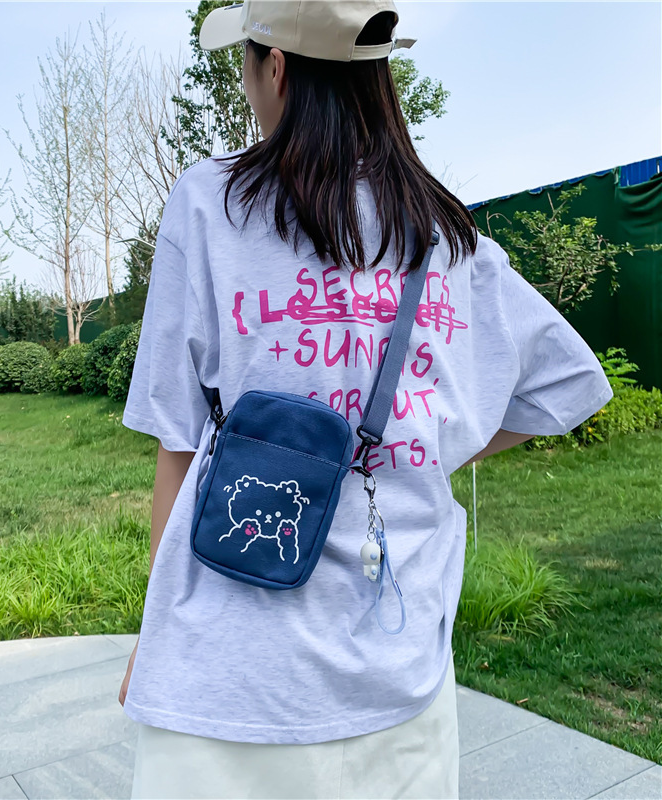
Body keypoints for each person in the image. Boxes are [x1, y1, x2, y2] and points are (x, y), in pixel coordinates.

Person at [118, 1, 614, 798]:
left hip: (227, 684)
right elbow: (569, 380)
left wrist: (156, 635)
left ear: (276, 66)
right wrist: (425, 444)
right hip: (401, 679)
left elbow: (176, 435)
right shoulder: (444, 234)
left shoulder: (211, 203)